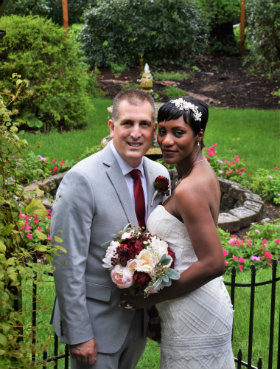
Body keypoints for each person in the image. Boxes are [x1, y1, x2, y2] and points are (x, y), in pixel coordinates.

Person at [50, 88, 170, 369]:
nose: (135, 133)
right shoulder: (82, 179)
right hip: (96, 324)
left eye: (144, 124)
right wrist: (79, 335)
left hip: (136, 322)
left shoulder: (159, 176)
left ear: (153, 129)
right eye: (127, 123)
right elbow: (66, 263)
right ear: (112, 126)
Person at [123, 96, 235, 369]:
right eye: (162, 131)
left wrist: (148, 298)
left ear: (199, 135)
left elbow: (213, 263)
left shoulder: (190, 189)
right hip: (186, 304)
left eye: (178, 132)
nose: (167, 141)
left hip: (195, 309)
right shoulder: (199, 173)